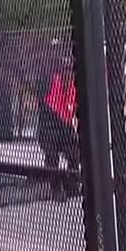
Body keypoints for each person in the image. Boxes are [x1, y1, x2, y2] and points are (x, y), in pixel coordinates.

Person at [37, 61, 80, 201]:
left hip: (65, 127)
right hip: (49, 126)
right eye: (65, 72)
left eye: (70, 72)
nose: (69, 75)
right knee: (52, 158)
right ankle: (55, 189)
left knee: (74, 154)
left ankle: (71, 185)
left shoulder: (74, 87)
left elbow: (73, 109)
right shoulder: (52, 84)